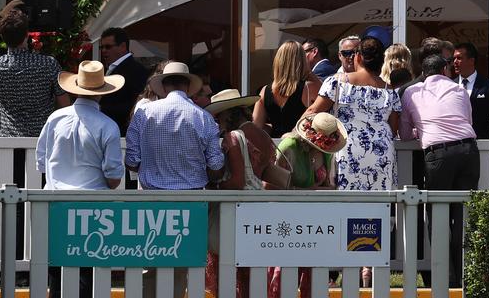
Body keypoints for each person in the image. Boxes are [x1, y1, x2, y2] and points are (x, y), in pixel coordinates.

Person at [127, 62, 223, 298]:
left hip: (152, 198)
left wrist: (152, 165)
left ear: (163, 85)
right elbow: (217, 166)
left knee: (150, 262)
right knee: (183, 262)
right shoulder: (203, 117)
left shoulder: (144, 113)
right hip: (191, 199)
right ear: (189, 86)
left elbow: (131, 160)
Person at [38, 60, 125, 298]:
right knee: (89, 270)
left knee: (57, 268)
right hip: (94, 206)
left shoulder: (55, 118)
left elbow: (41, 162)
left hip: (56, 201)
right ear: (102, 93)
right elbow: (114, 179)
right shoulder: (108, 126)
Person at [400, 53, 480, 286]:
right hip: (468, 150)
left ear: (423, 73)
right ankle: (467, 276)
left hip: (438, 154)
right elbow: (467, 121)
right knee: (463, 215)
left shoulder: (411, 92)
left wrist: (420, 132)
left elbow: (405, 134)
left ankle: (447, 280)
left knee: (437, 216)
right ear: (445, 70)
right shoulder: (459, 90)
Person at [206, 89, 284, 298]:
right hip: (258, 208)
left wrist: (214, 189)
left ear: (227, 114)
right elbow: (262, 174)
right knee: (251, 271)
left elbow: (238, 181)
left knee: (228, 270)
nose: (217, 122)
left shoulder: (233, 137)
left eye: (218, 116)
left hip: (236, 210)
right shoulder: (262, 134)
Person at [305, 36, 401, 191]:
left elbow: (312, 111)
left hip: (347, 149)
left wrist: (294, 133)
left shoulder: (337, 82)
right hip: (382, 154)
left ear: (358, 56)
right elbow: (393, 128)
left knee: (347, 207)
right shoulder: (390, 91)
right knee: (379, 209)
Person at [274, 114, 341, 298]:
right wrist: (306, 190)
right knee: (286, 274)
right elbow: (270, 187)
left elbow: (328, 183)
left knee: (314, 276)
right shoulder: (289, 147)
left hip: (316, 221)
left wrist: (328, 190)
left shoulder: (328, 152)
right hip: (287, 221)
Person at [0, 0, 69, 138]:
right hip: (40, 141)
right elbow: (65, 105)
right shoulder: (48, 64)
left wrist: (1, 15)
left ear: (3, 37)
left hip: (7, 143)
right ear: (27, 35)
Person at [254, 41, 318, 138]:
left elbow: (257, 126)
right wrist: (308, 71)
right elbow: (326, 97)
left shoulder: (264, 90)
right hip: (299, 147)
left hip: (275, 146)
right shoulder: (308, 88)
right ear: (302, 61)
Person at [452, 42, 489, 151]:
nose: (455, 62)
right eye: (454, 58)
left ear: (471, 60)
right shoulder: (449, 85)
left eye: (459, 58)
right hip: (455, 148)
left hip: (483, 147)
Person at [96, 27, 150, 135]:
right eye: (101, 47)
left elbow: (135, 105)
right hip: (108, 131)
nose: (104, 51)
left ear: (123, 46)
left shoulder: (136, 70)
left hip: (122, 133)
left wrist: (99, 109)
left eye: (108, 47)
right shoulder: (111, 68)